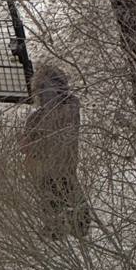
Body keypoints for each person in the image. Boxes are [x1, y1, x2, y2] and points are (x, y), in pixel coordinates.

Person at [20, 64, 89, 237]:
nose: (43, 96)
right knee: (56, 196)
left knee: (63, 193)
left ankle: (70, 226)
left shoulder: (67, 109)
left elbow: (41, 139)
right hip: (52, 168)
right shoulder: (44, 115)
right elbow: (28, 146)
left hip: (58, 167)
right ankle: (62, 227)